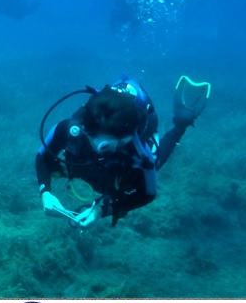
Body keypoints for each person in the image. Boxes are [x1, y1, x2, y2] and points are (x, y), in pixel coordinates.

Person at [36, 75, 210, 228]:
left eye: (122, 141)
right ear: (86, 131)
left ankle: (181, 122)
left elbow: (148, 194)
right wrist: (46, 193)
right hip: (105, 125)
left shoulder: (137, 149)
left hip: (139, 128)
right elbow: (42, 157)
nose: (114, 149)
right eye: (106, 145)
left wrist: (101, 211)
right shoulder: (70, 130)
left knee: (154, 162)